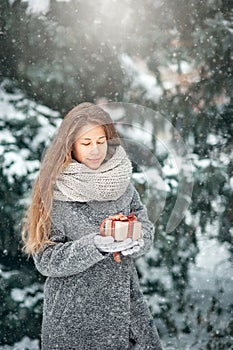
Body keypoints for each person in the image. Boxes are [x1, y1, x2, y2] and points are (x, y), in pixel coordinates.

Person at [22, 102, 163, 350]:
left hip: (126, 313)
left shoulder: (121, 183)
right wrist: (95, 245)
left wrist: (137, 241)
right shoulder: (54, 192)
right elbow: (45, 259)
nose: (95, 150)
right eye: (86, 143)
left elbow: (144, 225)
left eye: (100, 140)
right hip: (73, 318)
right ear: (71, 146)